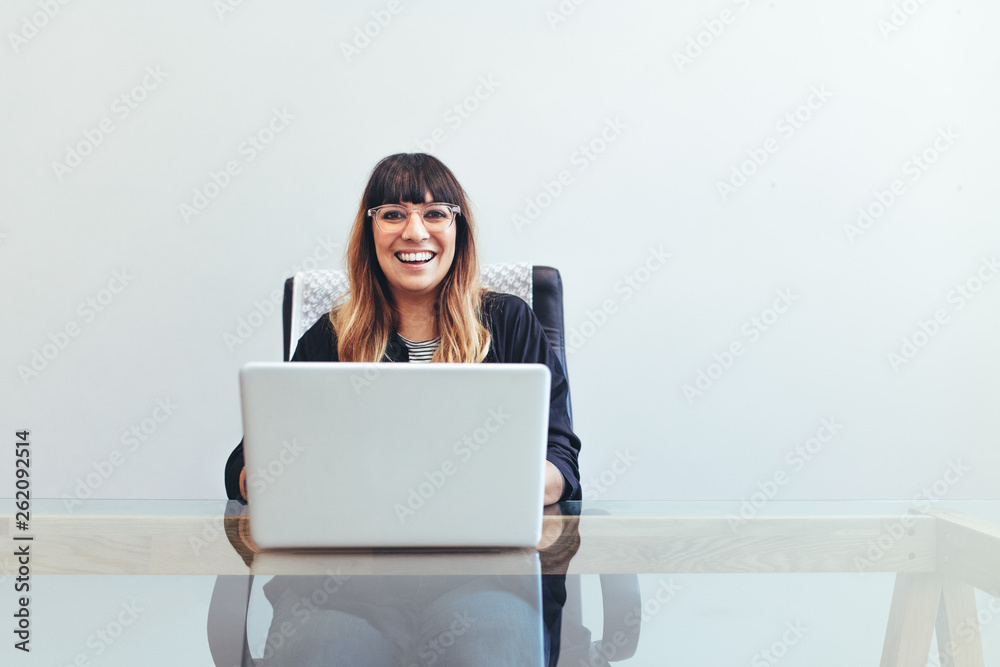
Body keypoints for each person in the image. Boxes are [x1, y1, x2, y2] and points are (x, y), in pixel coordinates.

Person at [224, 152, 581, 505]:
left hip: (484, 547)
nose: (414, 232)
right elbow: (246, 469)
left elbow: (560, 462)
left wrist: (476, 487)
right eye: (392, 215)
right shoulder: (331, 335)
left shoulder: (508, 321)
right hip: (361, 549)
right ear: (369, 234)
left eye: (435, 214)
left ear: (460, 231)